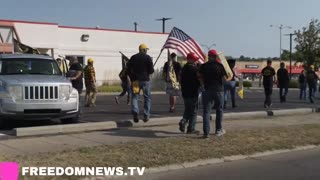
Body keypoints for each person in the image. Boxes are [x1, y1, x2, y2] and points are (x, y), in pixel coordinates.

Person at [198, 49, 232, 139]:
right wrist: (229, 79)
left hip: (207, 90)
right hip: (218, 90)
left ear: (209, 56)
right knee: (219, 110)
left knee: (206, 111)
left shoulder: (203, 66)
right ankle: (218, 130)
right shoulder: (220, 66)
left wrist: (202, 85)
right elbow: (224, 80)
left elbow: (200, 77)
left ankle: (206, 133)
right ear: (215, 56)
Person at [126, 43, 154, 123]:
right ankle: (146, 115)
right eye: (146, 50)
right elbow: (151, 70)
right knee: (147, 98)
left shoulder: (133, 57)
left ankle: (135, 110)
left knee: (135, 97)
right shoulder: (148, 58)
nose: (146, 51)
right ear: (144, 50)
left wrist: (131, 77)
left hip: (135, 81)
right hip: (145, 81)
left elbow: (128, 69)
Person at [179, 52, 201, 134]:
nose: (196, 61)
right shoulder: (194, 69)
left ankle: (183, 121)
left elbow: (180, 80)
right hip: (193, 93)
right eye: (195, 60)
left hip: (185, 92)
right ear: (190, 59)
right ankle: (191, 128)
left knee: (187, 109)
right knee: (194, 111)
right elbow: (199, 81)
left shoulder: (184, 68)